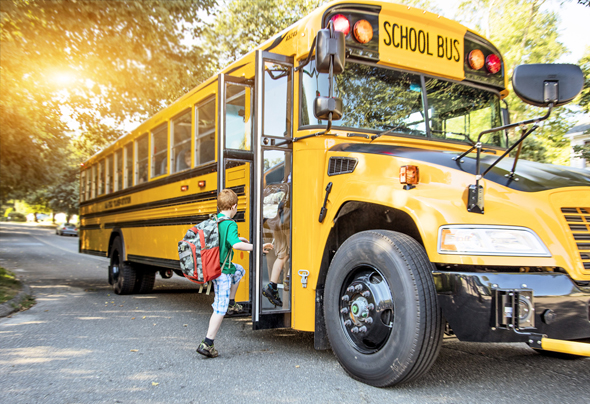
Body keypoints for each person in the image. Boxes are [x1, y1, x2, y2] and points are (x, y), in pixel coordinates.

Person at [197, 189, 273, 358]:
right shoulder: (231, 223)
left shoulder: (216, 220)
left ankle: (232, 302)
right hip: (222, 273)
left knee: (239, 270)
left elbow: (230, 240)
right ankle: (207, 343)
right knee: (219, 309)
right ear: (234, 206)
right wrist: (257, 247)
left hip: (217, 268)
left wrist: (241, 239)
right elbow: (236, 245)